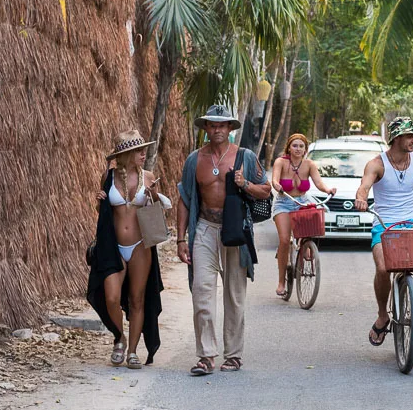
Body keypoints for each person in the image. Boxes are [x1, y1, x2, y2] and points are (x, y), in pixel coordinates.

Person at [176, 105, 272, 375]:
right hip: (205, 228)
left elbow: (265, 191)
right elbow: (185, 199)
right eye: (212, 125)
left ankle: (233, 354)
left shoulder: (245, 157)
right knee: (202, 292)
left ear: (230, 128)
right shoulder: (195, 160)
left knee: (234, 295)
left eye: (222, 125)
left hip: (235, 232)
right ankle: (206, 356)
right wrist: (181, 239)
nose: (217, 129)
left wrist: (245, 185)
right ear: (205, 128)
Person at [354, 116, 413, 347]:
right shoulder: (377, 164)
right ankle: (383, 314)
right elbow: (364, 186)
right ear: (396, 138)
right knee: (383, 268)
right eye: (409, 136)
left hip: (411, 219)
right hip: (384, 222)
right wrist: (361, 199)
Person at [87, 130, 170, 368]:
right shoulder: (109, 176)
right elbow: (102, 213)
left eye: (144, 150)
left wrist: (153, 196)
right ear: (126, 154)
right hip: (113, 246)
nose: (144, 154)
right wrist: (99, 200)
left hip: (139, 245)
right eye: (139, 151)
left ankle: (133, 351)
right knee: (111, 297)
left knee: (137, 299)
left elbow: (155, 212)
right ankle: (119, 337)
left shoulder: (148, 177)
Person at [271, 133, 336, 298]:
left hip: (302, 201)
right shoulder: (281, 162)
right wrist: (277, 186)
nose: (298, 149)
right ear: (289, 147)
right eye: (295, 146)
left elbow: (319, 183)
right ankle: (281, 282)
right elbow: (274, 180)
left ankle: (304, 246)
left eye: (301, 146)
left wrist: (328, 190)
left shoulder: (309, 164)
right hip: (284, 202)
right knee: (285, 239)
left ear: (305, 149)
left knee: (309, 230)